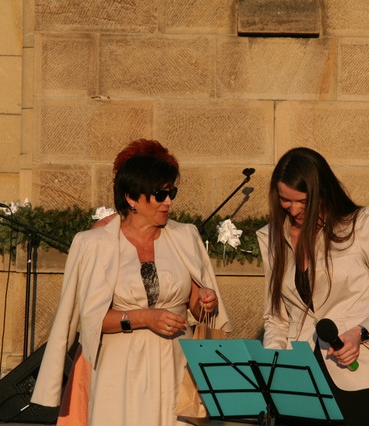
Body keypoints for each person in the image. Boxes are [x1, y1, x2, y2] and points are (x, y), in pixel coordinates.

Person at [31, 140, 233, 426]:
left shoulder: (185, 236)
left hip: (177, 365)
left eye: (171, 193)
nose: (168, 202)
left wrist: (205, 302)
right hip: (120, 369)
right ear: (132, 198)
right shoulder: (94, 243)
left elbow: (199, 310)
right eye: (160, 195)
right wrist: (143, 317)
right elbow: (91, 320)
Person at [256, 147, 369, 426]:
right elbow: (276, 318)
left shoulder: (360, 224)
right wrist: (275, 372)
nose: (293, 209)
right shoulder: (270, 236)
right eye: (285, 200)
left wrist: (360, 333)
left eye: (302, 201)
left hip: (354, 375)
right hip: (297, 377)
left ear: (322, 192)